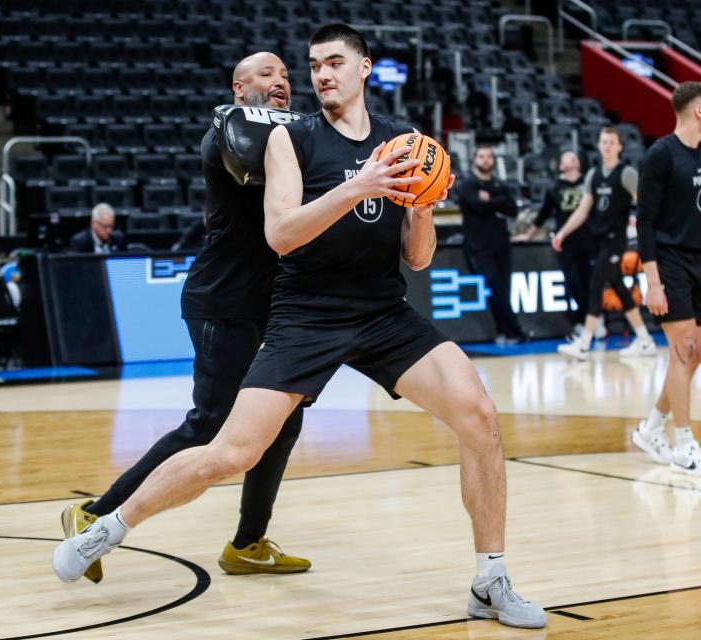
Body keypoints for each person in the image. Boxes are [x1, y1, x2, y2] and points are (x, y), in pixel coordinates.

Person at [52, 25, 546, 630]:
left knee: (481, 417)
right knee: (230, 449)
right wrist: (359, 185)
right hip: (307, 314)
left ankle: (490, 580)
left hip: (383, 312)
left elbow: (417, 259)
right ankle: (105, 528)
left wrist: (421, 209)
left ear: (365, 67)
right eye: (314, 65)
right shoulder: (293, 140)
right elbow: (280, 234)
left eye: (334, 63)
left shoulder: (401, 142)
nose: (320, 75)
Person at [55, 51, 309, 585]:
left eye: (286, 75)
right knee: (210, 424)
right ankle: (93, 515)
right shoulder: (226, 134)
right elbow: (260, 174)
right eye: (267, 74)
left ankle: (248, 542)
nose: (281, 82)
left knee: (284, 418)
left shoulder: (295, 140)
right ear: (239, 90)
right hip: (221, 300)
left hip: (269, 303)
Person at [630, 81, 701, 477]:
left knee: (698, 354)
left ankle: (650, 429)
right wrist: (653, 281)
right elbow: (645, 222)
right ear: (697, 111)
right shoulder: (661, 156)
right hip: (670, 263)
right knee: (684, 349)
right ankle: (684, 445)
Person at [552, 128, 656, 359]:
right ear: (599, 146)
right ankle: (645, 339)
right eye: (604, 142)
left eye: (612, 142)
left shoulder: (626, 173)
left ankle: (584, 343)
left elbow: (644, 204)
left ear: (619, 146)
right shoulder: (594, 175)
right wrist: (562, 233)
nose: (607, 146)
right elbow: (583, 209)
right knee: (618, 287)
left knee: (596, 284)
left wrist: (644, 228)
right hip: (598, 241)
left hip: (616, 240)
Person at [514, 150, 595, 332]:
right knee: (573, 283)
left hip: (588, 241)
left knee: (589, 283)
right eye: (566, 158)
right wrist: (529, 235)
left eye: (574, 157)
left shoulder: (588, 184)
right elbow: (543, 215)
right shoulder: (555, 189)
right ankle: (586, 320)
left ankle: (590, 322)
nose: (572, 159)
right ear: (561, 166)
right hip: (565, 243)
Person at [457, 146, 529, 345]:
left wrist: (492, 200)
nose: (486, 160)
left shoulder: (500, 184)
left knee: (503, 289)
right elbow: (478, 206)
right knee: (495, 286)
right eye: (481, 156)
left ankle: (503, 330)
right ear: (474, 160)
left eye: (489, 156)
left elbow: (513, 208)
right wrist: (499, 202)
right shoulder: (468, 184)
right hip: (479, 245)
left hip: (501, 243)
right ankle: (515, 331)